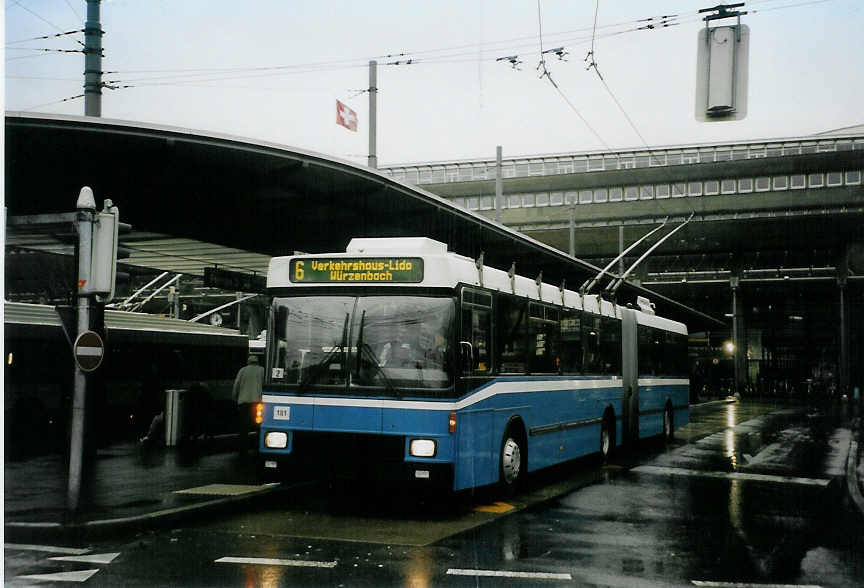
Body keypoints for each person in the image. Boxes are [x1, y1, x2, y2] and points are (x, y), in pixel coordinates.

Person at [233, 354, 265, 453]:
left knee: (243, 428)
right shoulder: (262, 370)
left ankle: (243, 448)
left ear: (248, 362)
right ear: (257, 362)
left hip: (244, 403)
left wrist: (235, 398)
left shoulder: (242, 370)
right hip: (258, 403)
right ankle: (257, 447)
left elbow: (236, 385)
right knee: (258, 426)